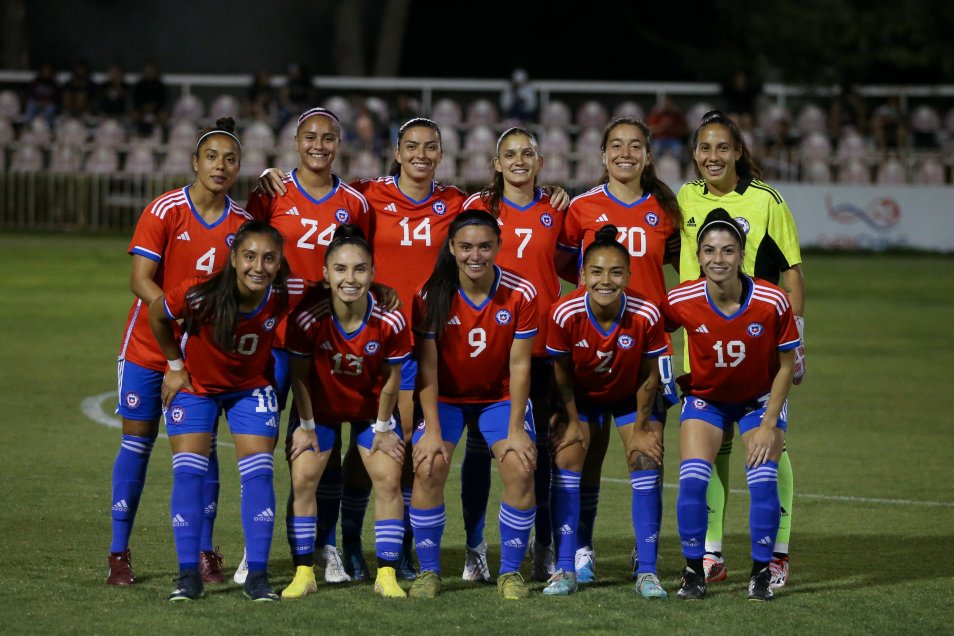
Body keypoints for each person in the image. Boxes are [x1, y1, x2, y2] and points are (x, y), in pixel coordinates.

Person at [257, 117, 468, 582]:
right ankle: (334, 545)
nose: (420, 154)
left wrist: (549, 191)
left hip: (413, 341)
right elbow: (313, 194)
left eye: (430, 147)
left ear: (441, 153)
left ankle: (399, 547)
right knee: (308, 449)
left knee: (399, 448)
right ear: (396, 151)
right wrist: (268, 176)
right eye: (411, 146)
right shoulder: (366, 196)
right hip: (335, 334)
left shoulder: (455, 202)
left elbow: (497, 214)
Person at [108, 118, 250, 587]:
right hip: (149, 349)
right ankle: (118, 553)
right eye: (212, 156)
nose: (220, 165)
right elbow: (139, 280)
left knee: (202, 453)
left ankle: (206, 552)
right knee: (137, 445)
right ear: (195, 161)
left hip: (202, 359)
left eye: (230, 159)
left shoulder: (243, 225)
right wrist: (175, 314)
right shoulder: (166, 210)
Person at [244, 106, 374, 586]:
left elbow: (361, 265)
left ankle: (325, 546)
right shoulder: (272, 194)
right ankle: (253, 552)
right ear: (295, 143)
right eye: (309, 137)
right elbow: (246, 251)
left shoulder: (355, 203)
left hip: (331, 345)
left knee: (324, 447)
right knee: (260, 446)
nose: (319, 145)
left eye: (328, 138)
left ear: (339, 145)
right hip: (274, 341)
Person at [677, 110, 805, 590]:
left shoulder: (765, 199)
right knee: (712, 446)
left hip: (758, 345)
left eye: (722, 148)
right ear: (695, 154)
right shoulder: (685, 198)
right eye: (705, 148)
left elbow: (791, 269)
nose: (713, 157)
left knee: (770, 445)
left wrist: (800, 338)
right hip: (702, 344)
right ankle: (710, 552)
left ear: (737, 152)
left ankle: (776, 554)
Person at [555, 117, 681, 583]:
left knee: (647, 453)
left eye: (635, 146)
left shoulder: (665, 211)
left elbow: (684, 265)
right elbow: (567, 262)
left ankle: (643, 559)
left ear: (648, 155)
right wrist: (595, 310)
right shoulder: (582, 207)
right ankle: (582, 549)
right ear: (603, 154)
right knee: (583, 453)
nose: (625, 153)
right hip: (593, 350)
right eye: (616, 145)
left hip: (649, 351)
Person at [149, 220, 290, 602]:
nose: (258, 266)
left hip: (250, 390)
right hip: (196, 389)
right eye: (249, 257)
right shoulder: (198, 293)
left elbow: (333, 289)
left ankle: (258, 577)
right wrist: (175, 366)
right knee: (188, 475)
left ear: (279, 263)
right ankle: (187, 576)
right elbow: (157, 314)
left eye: (268, 258)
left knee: (260, 473)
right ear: (232, 258)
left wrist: (379, 290)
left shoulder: (282, 294)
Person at [665, 209, 800, 601]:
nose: (717, 259)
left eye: (727, 250)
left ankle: (760, 573)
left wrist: (770, 422)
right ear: (699, 255)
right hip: (707, 400)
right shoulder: (684, 298)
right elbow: (651, 329)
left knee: (762, 481)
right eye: (708, 251)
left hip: (759, 402)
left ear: (742, 254)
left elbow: (787, 362)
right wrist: (661, 376)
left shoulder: (771, 300)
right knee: (692, 481)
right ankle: (694, 572)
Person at [408, 210, 539, 600]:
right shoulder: (431, 295)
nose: (475, 255)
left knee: (520, 464)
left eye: (484, 246)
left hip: (498, 398)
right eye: (465, 247)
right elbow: (427, 369)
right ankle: (429, 572)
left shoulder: (521, 292)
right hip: (445, 398)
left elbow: (519, 365)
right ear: (451, 248)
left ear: (498, 246)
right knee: (428, 464)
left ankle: (510, 573)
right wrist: (431, 431)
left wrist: (516, 429)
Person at [281, 225, 411, 599]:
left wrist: (385, 428)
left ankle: (386, 573)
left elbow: (391, 379)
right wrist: (304, 426)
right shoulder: (308, 318)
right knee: (304, 475)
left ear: (372, 272)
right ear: (325, 273)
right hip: (318, 411)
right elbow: (300, 376)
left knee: (387, 477)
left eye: (359, 269)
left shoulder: (391, 319)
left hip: (371, 410)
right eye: (340, 269)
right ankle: (304, 571)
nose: (349, 278)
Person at [459, 127, 564, 583]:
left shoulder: (558, 210)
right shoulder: (477, 209)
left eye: (527, 154)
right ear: (497, 163)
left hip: (539, 349)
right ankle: (475, 548)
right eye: (509, 155)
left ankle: (542, 545)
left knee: (537, 451)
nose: (519, 160)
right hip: (484, 346)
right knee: (479, 449)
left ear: (539, 162)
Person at [544, 225, 667, 598]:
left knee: (646, 459)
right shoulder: (564, 313)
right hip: (580, 397)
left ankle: (647, 570)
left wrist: (645, 427)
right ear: (582, 275)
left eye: (616, 272)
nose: (606, 280)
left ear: (628, 275)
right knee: (568, 458)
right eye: (596, 272)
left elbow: (650, 377)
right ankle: (566, 566)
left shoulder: (646, 312)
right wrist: (568, 419)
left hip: (632, 395)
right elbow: (561, 376)